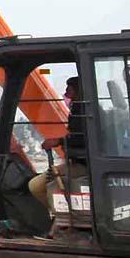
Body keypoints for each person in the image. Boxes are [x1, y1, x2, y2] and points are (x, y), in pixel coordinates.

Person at [28, 76, 87, 208]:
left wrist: (58, 141)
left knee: (35, 186)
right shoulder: (81, 111)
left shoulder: (83, 113)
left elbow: (83, 138)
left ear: (78, 91)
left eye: (70, 90)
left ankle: (58, 215)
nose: (67, 93)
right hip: (78, 162)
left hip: (82, 165)